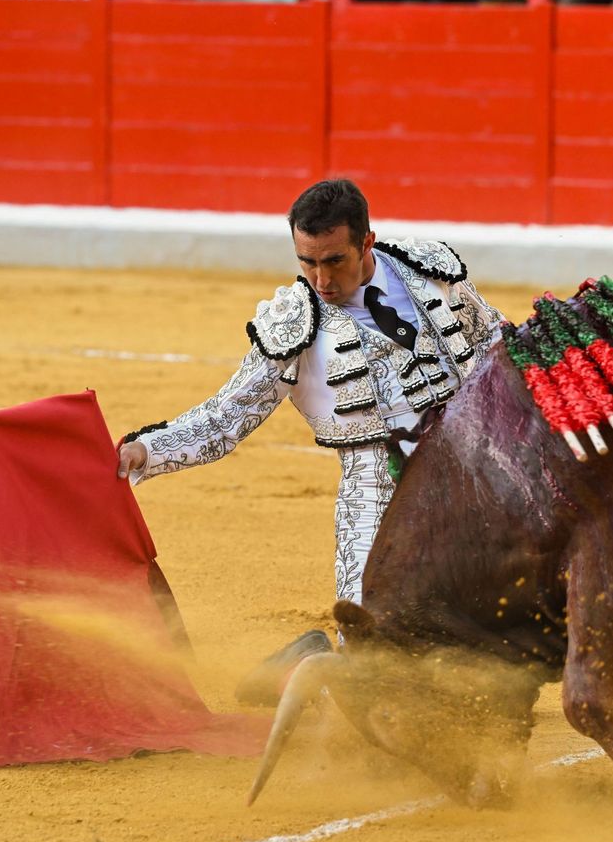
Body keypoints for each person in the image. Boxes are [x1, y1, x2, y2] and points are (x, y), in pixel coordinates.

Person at [115, 179, 504, 704]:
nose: (321, 279)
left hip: (470, 470)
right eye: (307, 262)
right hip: (375, 487)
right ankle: (300, 662)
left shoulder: (428, 271)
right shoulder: (292, 325)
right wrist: (149, 450)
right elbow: (228, 416)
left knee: (505, 621)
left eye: (334, 261)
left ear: (367, 243)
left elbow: (497, 342)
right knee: (367, 660)